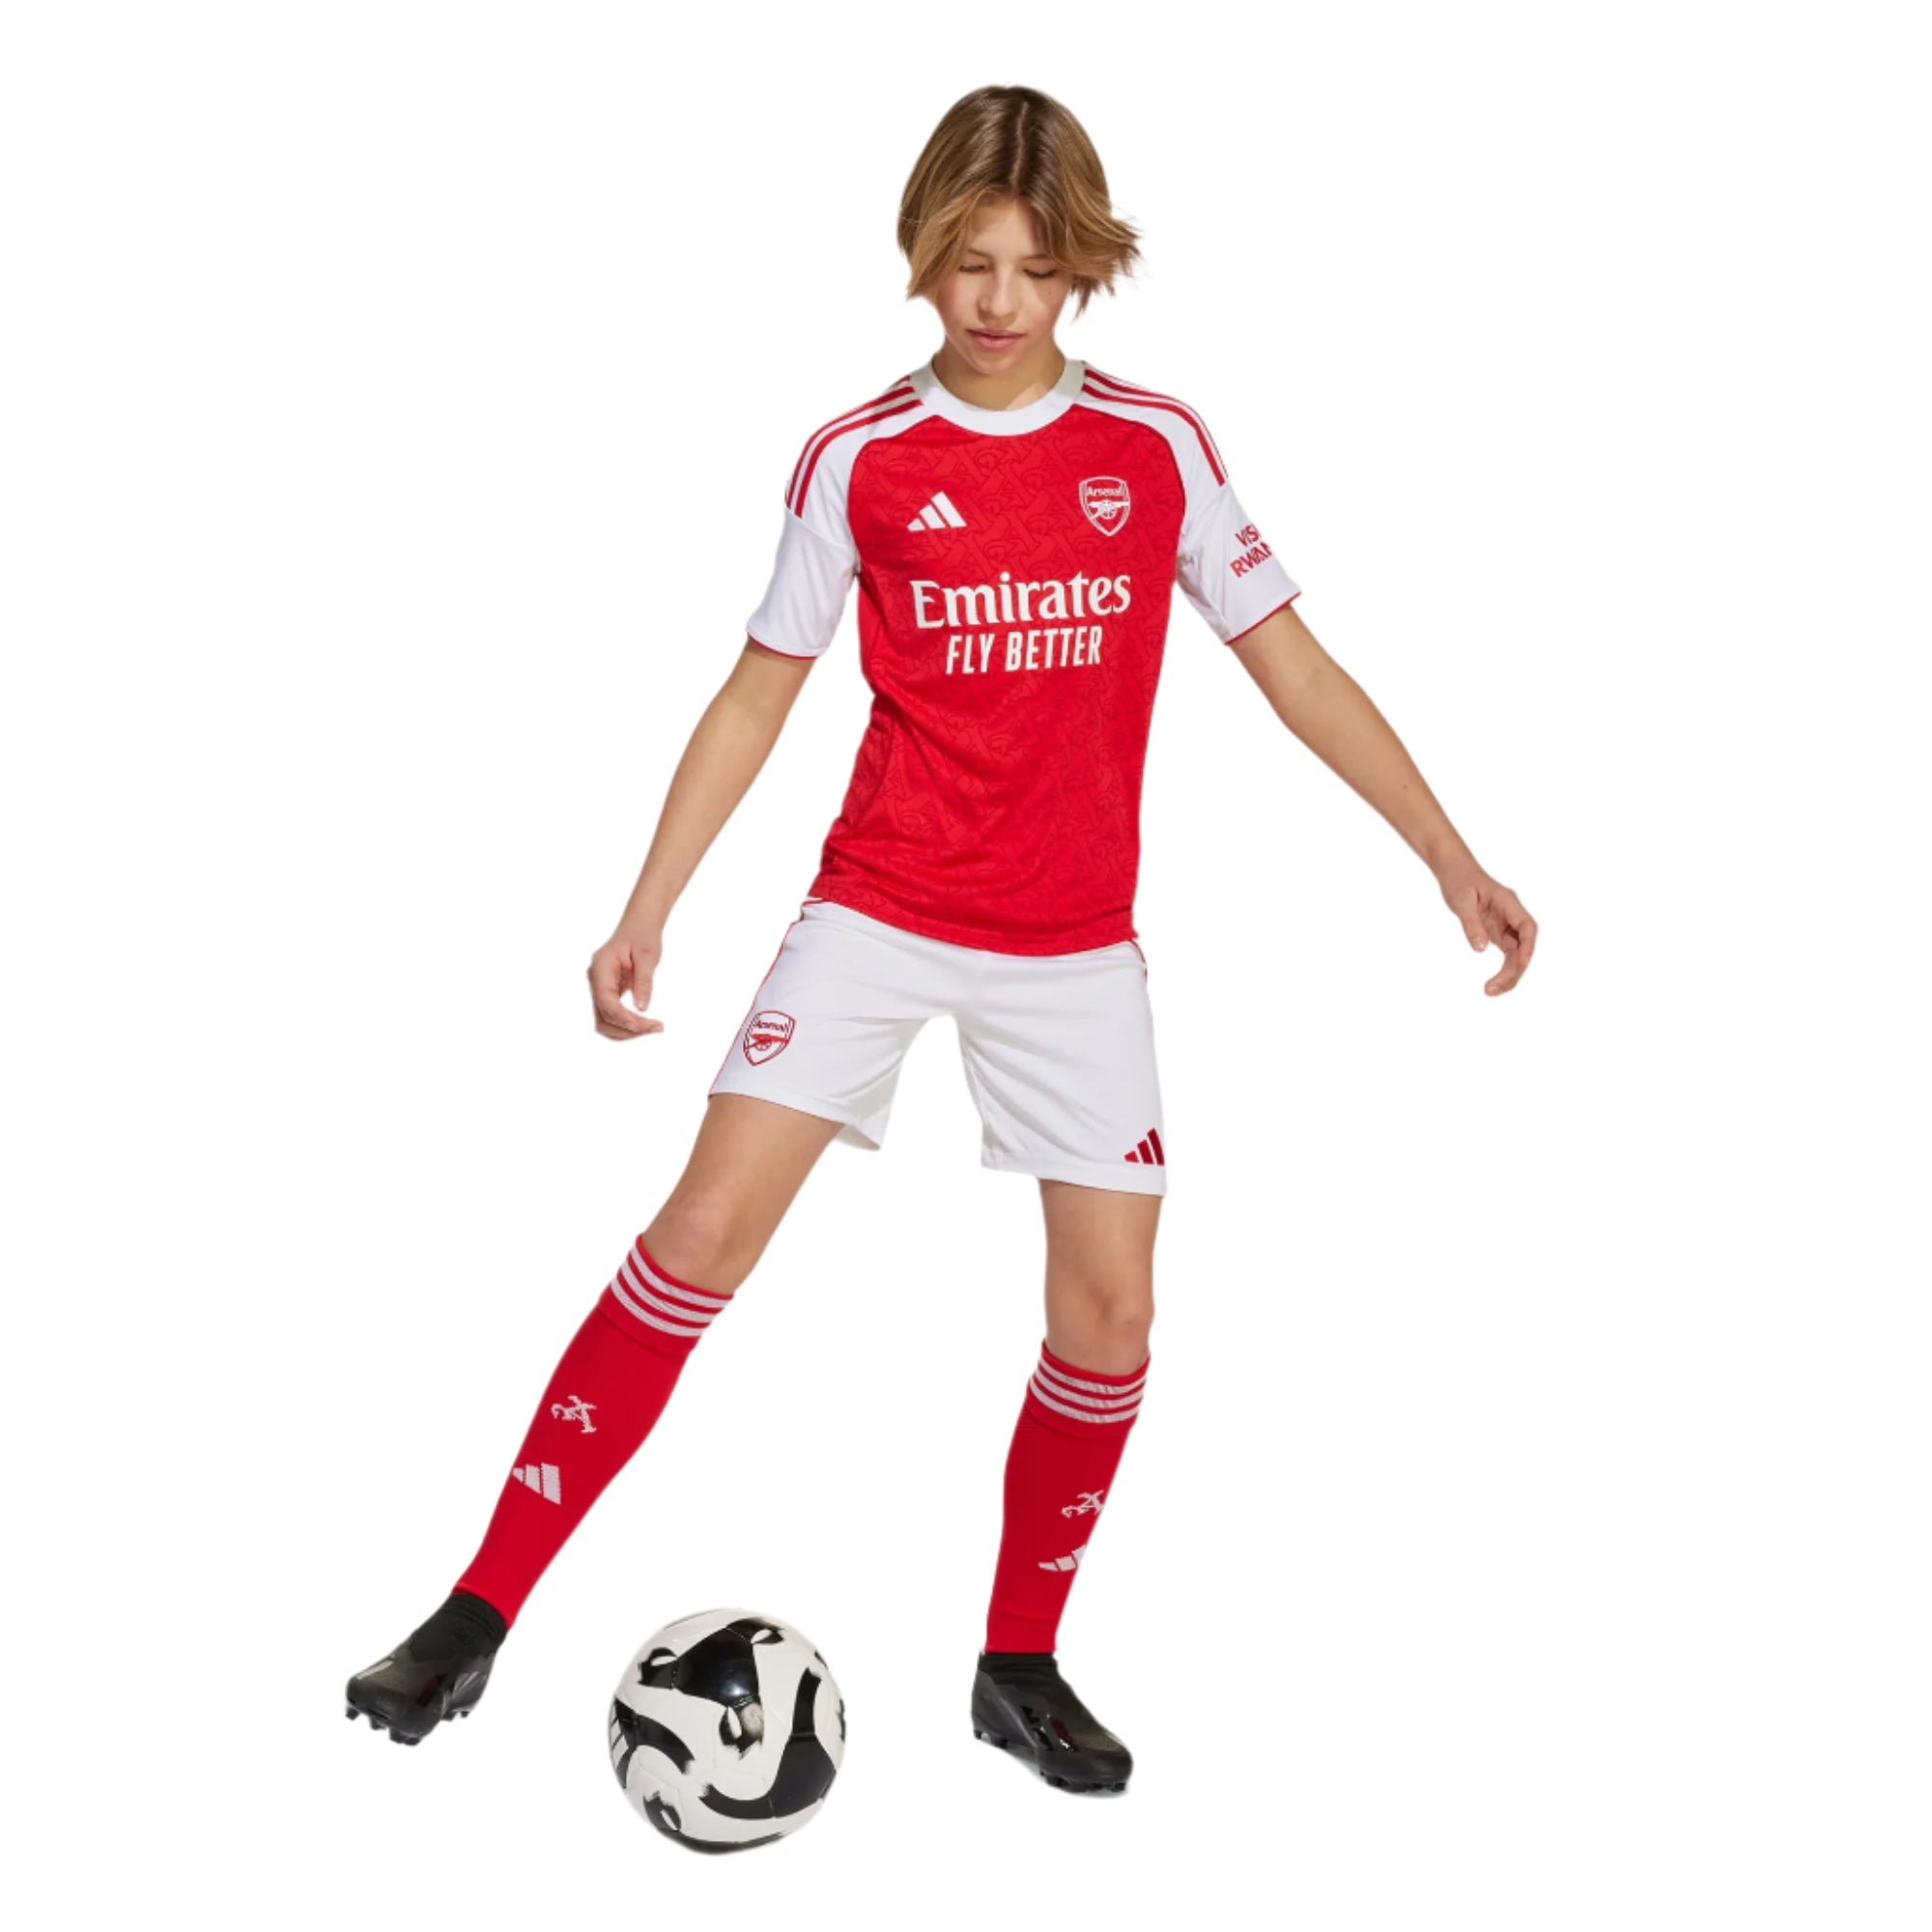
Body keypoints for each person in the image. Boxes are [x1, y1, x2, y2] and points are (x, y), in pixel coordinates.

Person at [346, 83, 1537, 1795]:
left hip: (1073, 939)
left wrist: (1450, 857)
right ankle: (474, 1611)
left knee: (1112, 1313)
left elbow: (1293, 664)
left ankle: (1018, 1663)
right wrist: (648, 904)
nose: (998, 302)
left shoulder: (1156, 450)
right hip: (880, 907)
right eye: (971, 263)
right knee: (701, 1231)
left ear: (1082, 273)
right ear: (923, 254)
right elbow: (759, 691)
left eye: (1036, 271)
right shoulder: (860, 458)